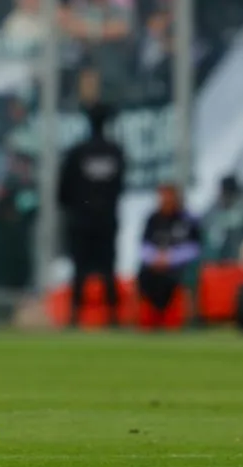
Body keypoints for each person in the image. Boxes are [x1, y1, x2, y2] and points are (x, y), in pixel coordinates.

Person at [57, 104, 125, 326]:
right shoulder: (116, 152)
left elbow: (63, 190)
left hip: (81, 220)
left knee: (79, 267)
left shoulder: (77, 152)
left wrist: (77, 207)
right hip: (106, 219)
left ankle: (75, 315)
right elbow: (120, 187)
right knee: (108, 267)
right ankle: (113, 315)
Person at [137, 183, 201, 328]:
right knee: (145, 276)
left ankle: (176, 320)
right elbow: (144, 246)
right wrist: (155, 258)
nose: (165, 200)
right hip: (155, 265)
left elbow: (194, 248)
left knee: (173, 279)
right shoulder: (153, 219)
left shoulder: (187, 219)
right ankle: (148, 320)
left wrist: (171, 258)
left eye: (169, 196)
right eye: (163, 197)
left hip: (178, 266)